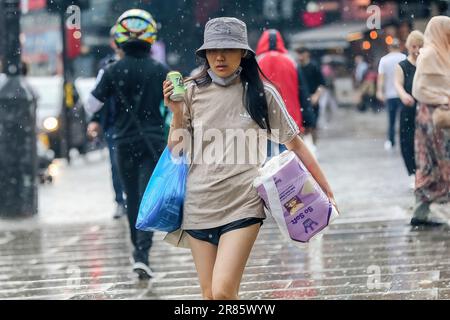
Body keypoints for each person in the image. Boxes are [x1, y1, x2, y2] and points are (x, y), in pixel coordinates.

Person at [163, 17, 336, 300]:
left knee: (222, 293)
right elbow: (176, 151)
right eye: (213, 50)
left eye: (228, 49)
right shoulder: (191, 91)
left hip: (242, 206)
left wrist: (325, 190)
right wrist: (177, 112)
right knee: (209, 296)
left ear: (243, 52)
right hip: (198, 207)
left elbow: (297, 145)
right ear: (204, 54)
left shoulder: (262, 93)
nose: (219, 57)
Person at [85, 9, 169, 279]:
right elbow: (177, 103)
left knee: (132, 197)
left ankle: (138, 251)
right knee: (147, 196)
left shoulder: (111, 71)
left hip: (123, 143)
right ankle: (143, 251)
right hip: (153, 141)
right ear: (150, 36)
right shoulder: (160, 70)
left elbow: (90, 104)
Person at [410, 16, 450, 227]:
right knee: (431, 165)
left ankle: (421, 213)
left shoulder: (445, 53)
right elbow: (419, 89)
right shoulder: (429, 55)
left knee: (441, 164)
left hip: (444, 119)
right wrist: (442, 99)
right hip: (431, 120)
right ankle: (420, 212)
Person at [87, 25, 126, 219]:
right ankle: (120, 201)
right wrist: (95, 120)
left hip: (141, 125)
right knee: (116, 165)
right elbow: (97, 98)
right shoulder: (106, 66)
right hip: (113, 124)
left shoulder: (147, 63)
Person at [255, 29, 304, 155]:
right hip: (288, 114)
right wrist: (308, 119)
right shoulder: (291, 61)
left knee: (266, 156)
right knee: (287, 154)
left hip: (264, 116)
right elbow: (302, 91)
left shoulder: (257, 62)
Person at [394, 30, 424, 189]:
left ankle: (424, 172)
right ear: (408, 47)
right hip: (409, 108)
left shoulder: (425, 63)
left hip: (425, 108)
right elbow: (398, 84)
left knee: (425, 142)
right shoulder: (402, 65)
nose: (417, 50)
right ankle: (413, 173)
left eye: (420, 46)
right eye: (414, 46)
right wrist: (404, 95)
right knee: (408, 142)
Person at [376, 38, 406, 151]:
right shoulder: (404, 58)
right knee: (404, 119)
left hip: (390, 94)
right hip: (403, 94)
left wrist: (379, 91)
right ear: (399, 46)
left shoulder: (384, 60)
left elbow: (381, 78)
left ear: (389, 47)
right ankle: (403, 140)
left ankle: (391, 141)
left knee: (391, 120)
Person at [295, 47, 326, 153]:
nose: (300, 56)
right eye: (298, 53)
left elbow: (322, 84)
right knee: (300, 127)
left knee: (313, 126)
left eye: (302, 53)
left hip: (313, 100)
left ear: (307, 54)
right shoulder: (296, 67)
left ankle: (314, 147)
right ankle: (303, 151)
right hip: (301, 101)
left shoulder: (314, 66)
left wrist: (316, 96)